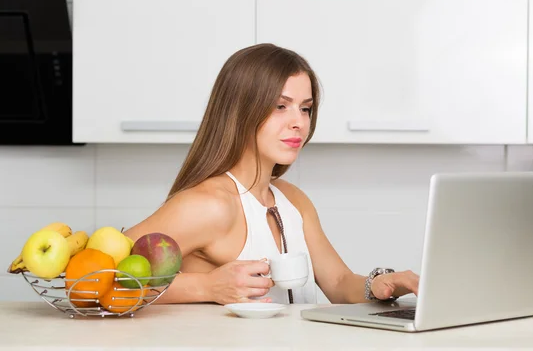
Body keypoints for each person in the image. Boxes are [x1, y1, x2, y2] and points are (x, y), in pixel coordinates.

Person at [124, 43, 420, 305]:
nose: (298, 123)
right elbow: (102, 277)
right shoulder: (210, 204)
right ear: (240, 111)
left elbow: (339, 283)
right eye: (281, 106)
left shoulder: (293, 200)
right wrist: (206, 286)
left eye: (305, 109)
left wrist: (380, 284)